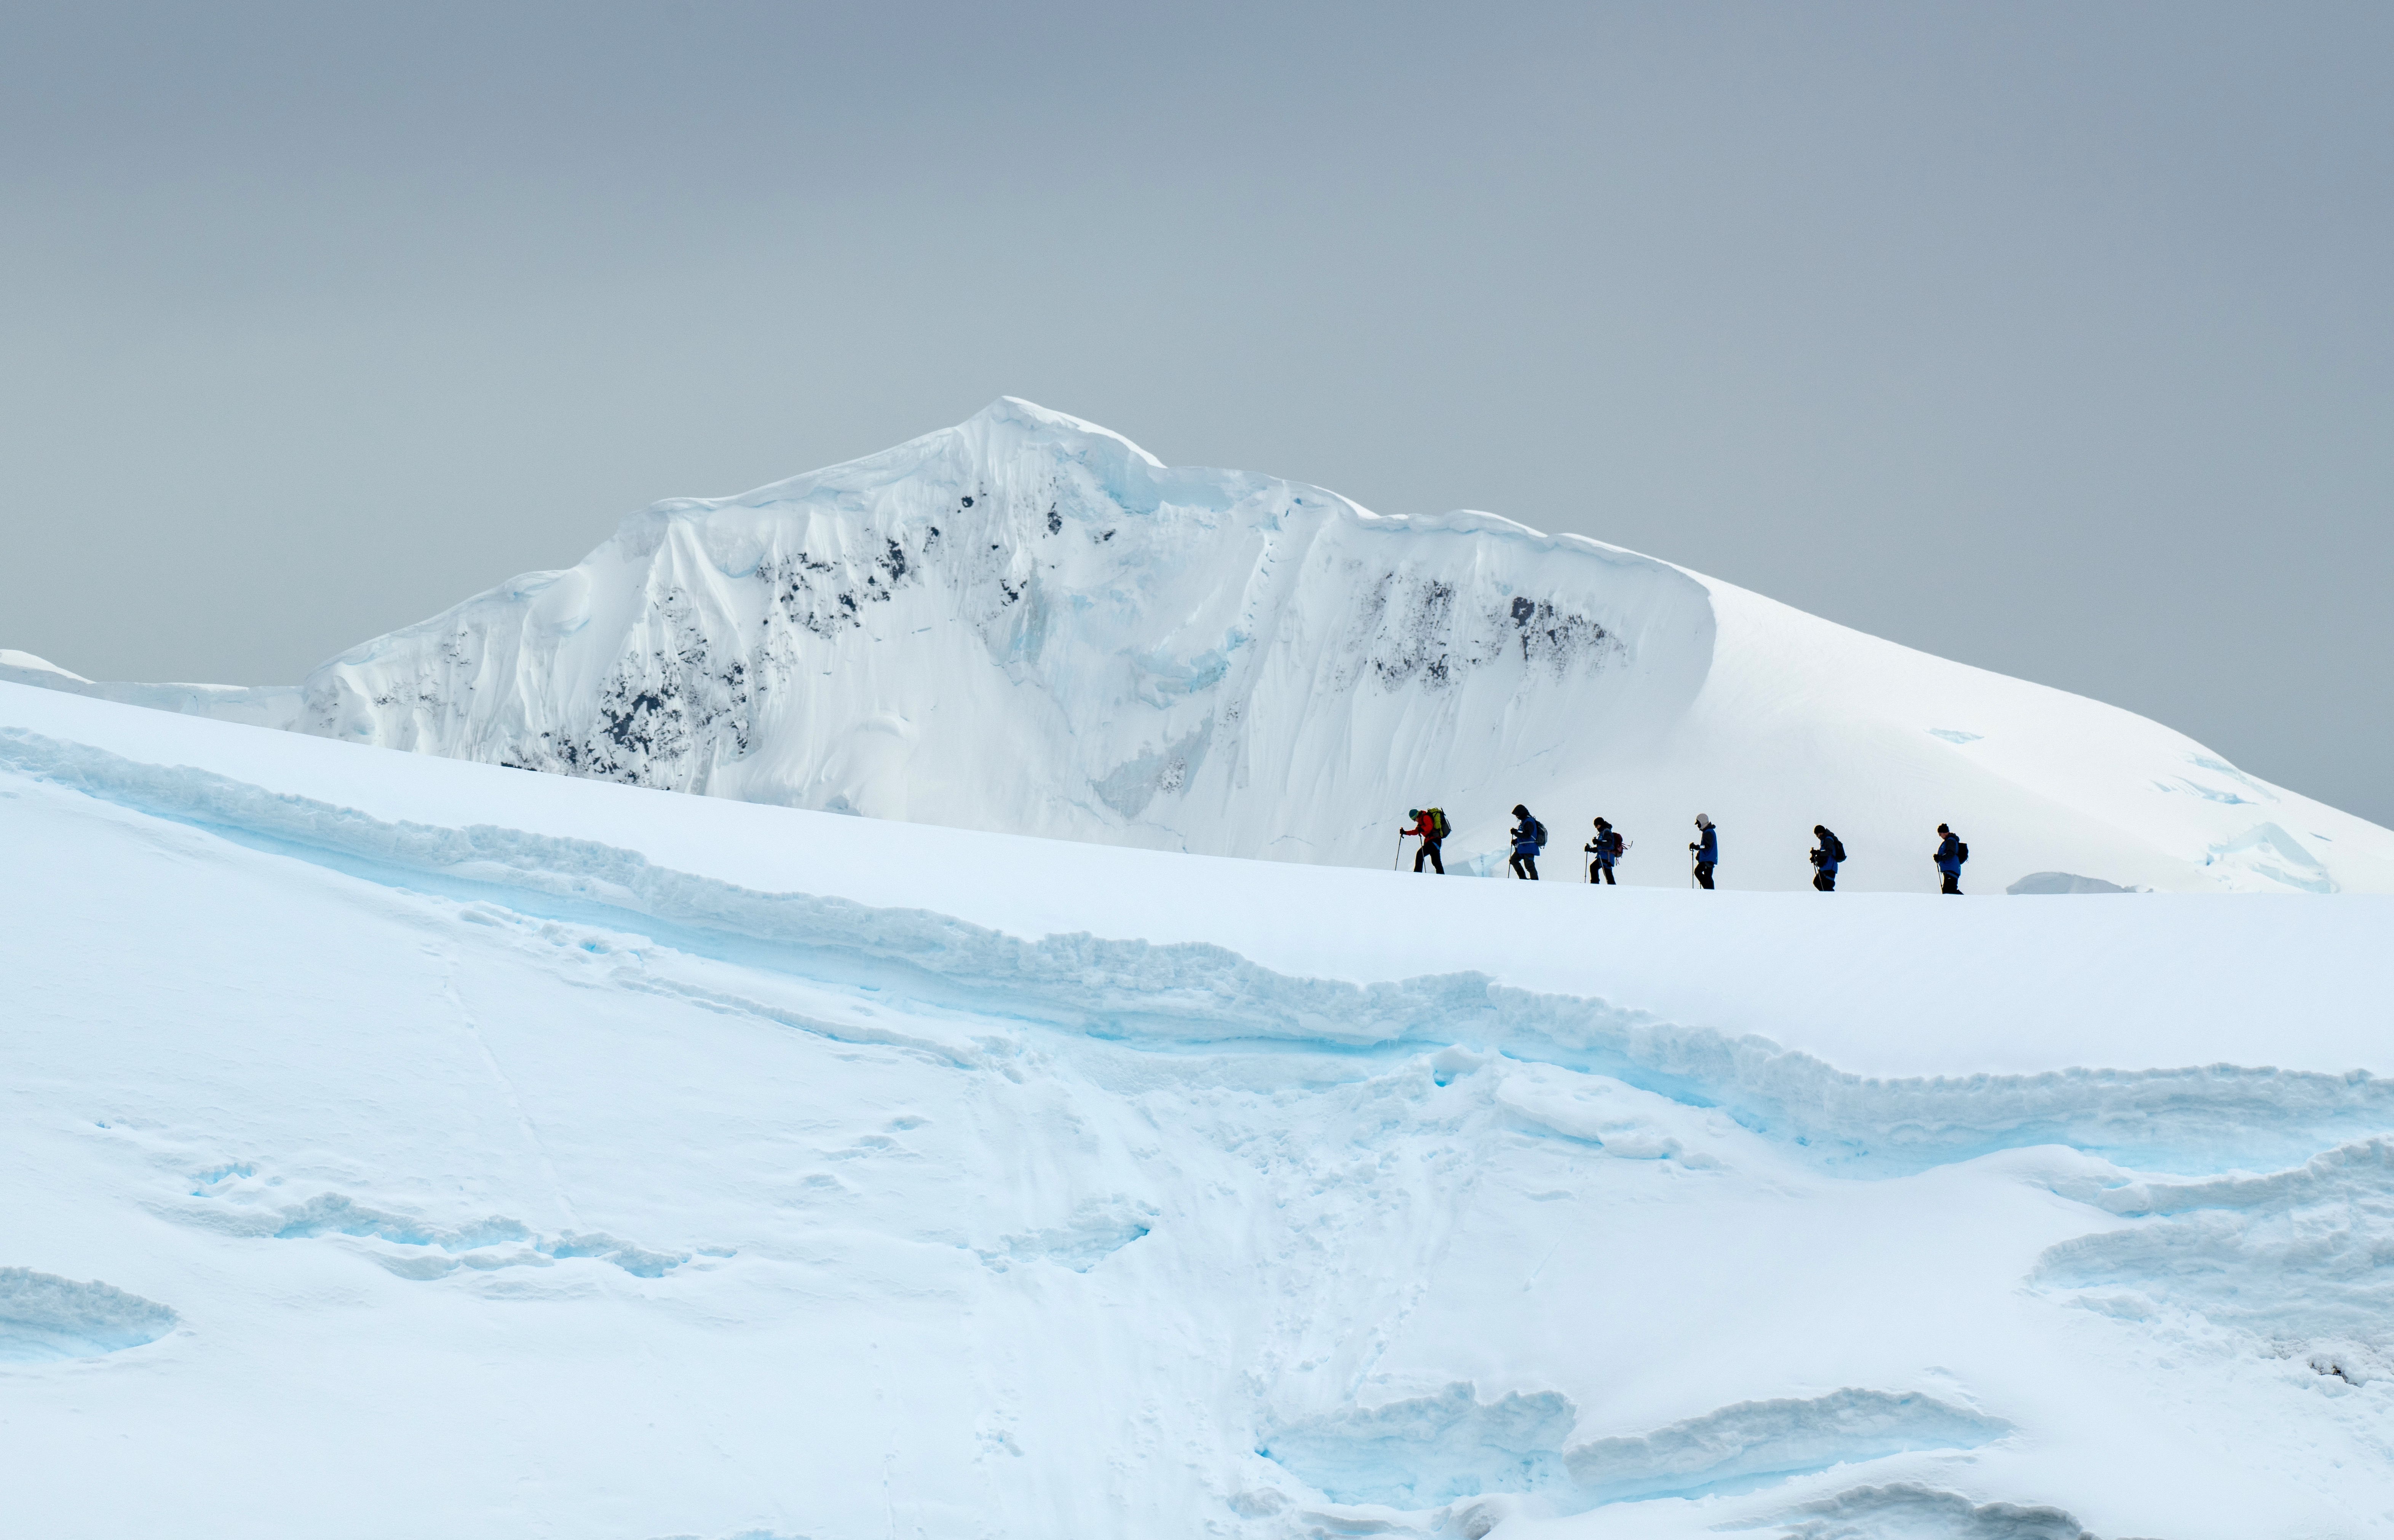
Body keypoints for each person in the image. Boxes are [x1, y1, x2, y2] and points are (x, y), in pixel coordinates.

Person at [1404, 808, 1445, 874]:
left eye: (1414, 819)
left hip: (1434, 841)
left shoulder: (1425, 817)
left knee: (1420, 854)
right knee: (1436, 862)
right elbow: (1416, 832)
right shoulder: (1421, 822)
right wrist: (1405, 833)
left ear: (1417, 816)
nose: (1415, 821)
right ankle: (1442, 878)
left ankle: (1417, 874)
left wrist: (1422, 829)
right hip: (1435, 842)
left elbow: (1430, 826)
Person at [1508, 804, 1544, 880]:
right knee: (1514, 860)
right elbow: (1525, 835)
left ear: (1521, 813)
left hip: (1529, 848)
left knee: (1530, 866)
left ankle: (1535, 882)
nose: (1517, 816)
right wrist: (1516, 841)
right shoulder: (1526, 821)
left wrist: (1515, 833)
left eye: (1517, 815)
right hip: (1524, 848)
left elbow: (1527, 835)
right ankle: (1523, 879)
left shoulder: (1529, 821)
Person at [1584, 817, 1623, 884]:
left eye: (1596, 825)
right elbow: (1600, 849)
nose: (1596, 827)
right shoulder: (1603, 833)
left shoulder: (1607, 831)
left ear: (1600, 824)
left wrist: (1598, 842)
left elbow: (1609, 844)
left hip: (1606, 857)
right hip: (1606, 857)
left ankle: (1594, 884)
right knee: (1609, 876)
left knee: (1593, 867)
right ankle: (1614, 890)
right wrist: (1590, 849)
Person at [1809, 824, 1845, 892]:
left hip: (1829, 868)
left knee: (1824, 886)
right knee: (1818, 883)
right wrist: (1816, 857)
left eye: (1817, 834)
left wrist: (1818, 853)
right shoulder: (1825, 839)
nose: (1817, 837)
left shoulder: (1828, 839)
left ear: (1821, 832)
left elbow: (1829, 852)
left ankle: (1832, 900)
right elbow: (1824, 853)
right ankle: (1828, 900)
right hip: (1826, 867)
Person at [1934, 823, 1966, 894]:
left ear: (1945, 833)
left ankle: (1968, 902)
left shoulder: (1951, 840)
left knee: (1949, 891)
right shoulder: (1948, 841)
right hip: (1950, 869)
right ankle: (1965, 902)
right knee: (1947, 891)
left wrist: (1940, 858)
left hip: (1951, 869)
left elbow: (1951, 854)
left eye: (1940, 834)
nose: (1940, 836)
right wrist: (1938, 858)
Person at [1689, 814, 1718, 889]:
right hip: (1708, 859)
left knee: (1699, 873)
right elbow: (1705, 846)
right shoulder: (1708, 832)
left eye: (1699, 823)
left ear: (1703, 822)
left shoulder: (1708, 832)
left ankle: (1709, 892)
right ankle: (1709, 891)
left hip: (1708, 859)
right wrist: (1700, 854)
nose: (1698, 826)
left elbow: (1707, 846)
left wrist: (1697, 848)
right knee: (1707, 877)